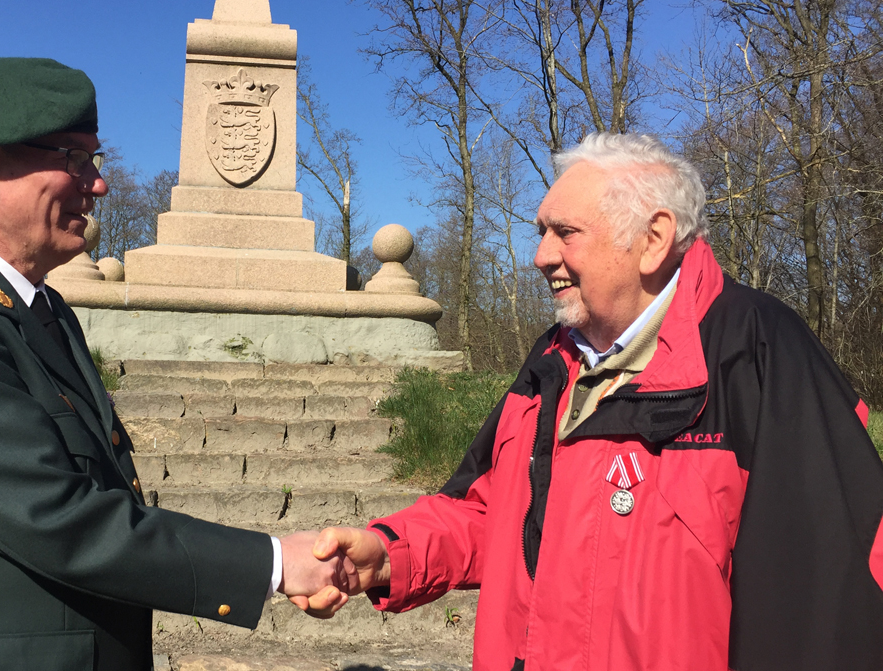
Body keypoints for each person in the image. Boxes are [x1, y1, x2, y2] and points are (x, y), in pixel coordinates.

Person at [305, 133, 883, 670]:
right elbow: (488, 510)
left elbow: (829, 600)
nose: (540, 256)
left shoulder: (760, 355)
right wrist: (386, 556)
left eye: (565, 232)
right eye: (541, 232)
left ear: (652, 239)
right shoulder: (552, 360)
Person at [0, 57, 348, 671]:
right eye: (72, 158)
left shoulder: (44, 310)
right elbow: (53, 518)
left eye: (94, 161)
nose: (98, 184)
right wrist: (273, 563)